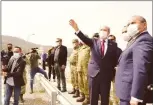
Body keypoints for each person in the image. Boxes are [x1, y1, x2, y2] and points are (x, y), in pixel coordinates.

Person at [69, 19, 119, 105]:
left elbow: (115, 59)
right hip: (93, 74)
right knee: (93, 97)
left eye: (105, 30)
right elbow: (83, 38)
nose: (103, 32)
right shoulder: (93, 41)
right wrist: (76, 29)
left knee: (105, 98)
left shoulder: (113, 44)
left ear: (108, 32)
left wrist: (113, 70)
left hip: (106, 75)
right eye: (101, 30)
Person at [115, 15, 153, 105]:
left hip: (131, 94)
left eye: (133, 23)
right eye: (128, 24)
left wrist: (136, 96)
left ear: (144, 25)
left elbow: (141, 68)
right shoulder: (135, 40)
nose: (129, 26)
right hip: (126, 92)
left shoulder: (143, 40)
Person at [108, 35, 122, 105]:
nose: (111, 41)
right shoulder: (106, 50)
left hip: (115, 73)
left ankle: (115, 103)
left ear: (115, 40)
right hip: (107, 73)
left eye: (112, 39)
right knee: (107, 90)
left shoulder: (119, 50)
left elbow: (121, 62)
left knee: (115, 90)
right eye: (109, 39)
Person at [76, 38, 91, 105]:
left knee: (86, 83)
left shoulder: (90, 48)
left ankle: (87, 98)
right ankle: (82, 95)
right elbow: (78, 58)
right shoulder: (80, 49)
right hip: (79, 69)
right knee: (80, 82)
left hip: (86, 69)